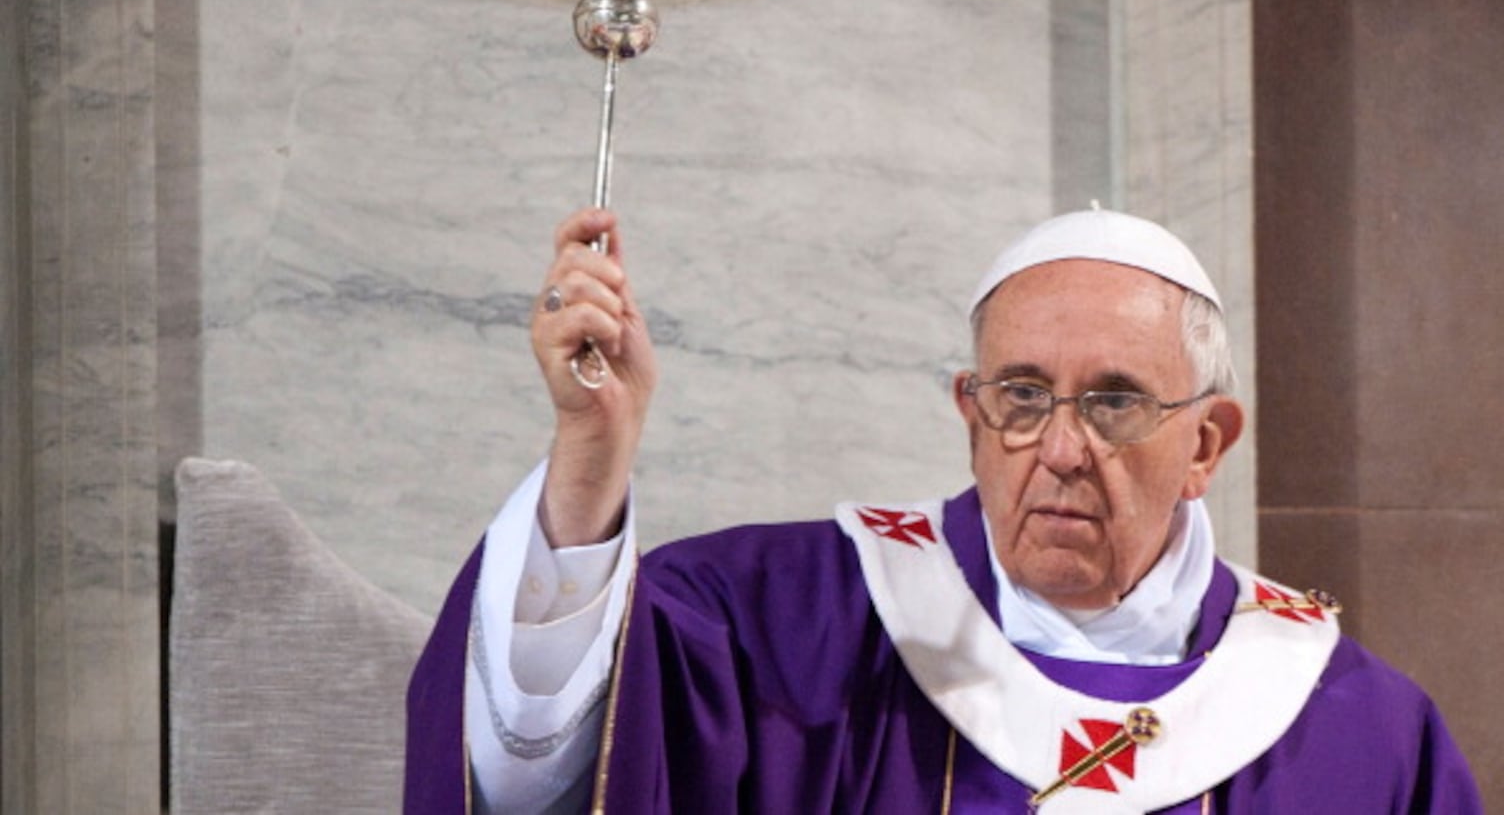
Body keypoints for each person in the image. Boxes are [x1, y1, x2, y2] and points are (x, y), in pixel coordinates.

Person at [405, 207, 1482, 813]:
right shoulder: (773, 631)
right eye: (1019, 396)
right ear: (968, 411)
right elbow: (542, 765)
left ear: (1204, 442)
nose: (1058, 448)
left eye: (1113, 403)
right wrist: (592, 456)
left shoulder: (1354, 730)